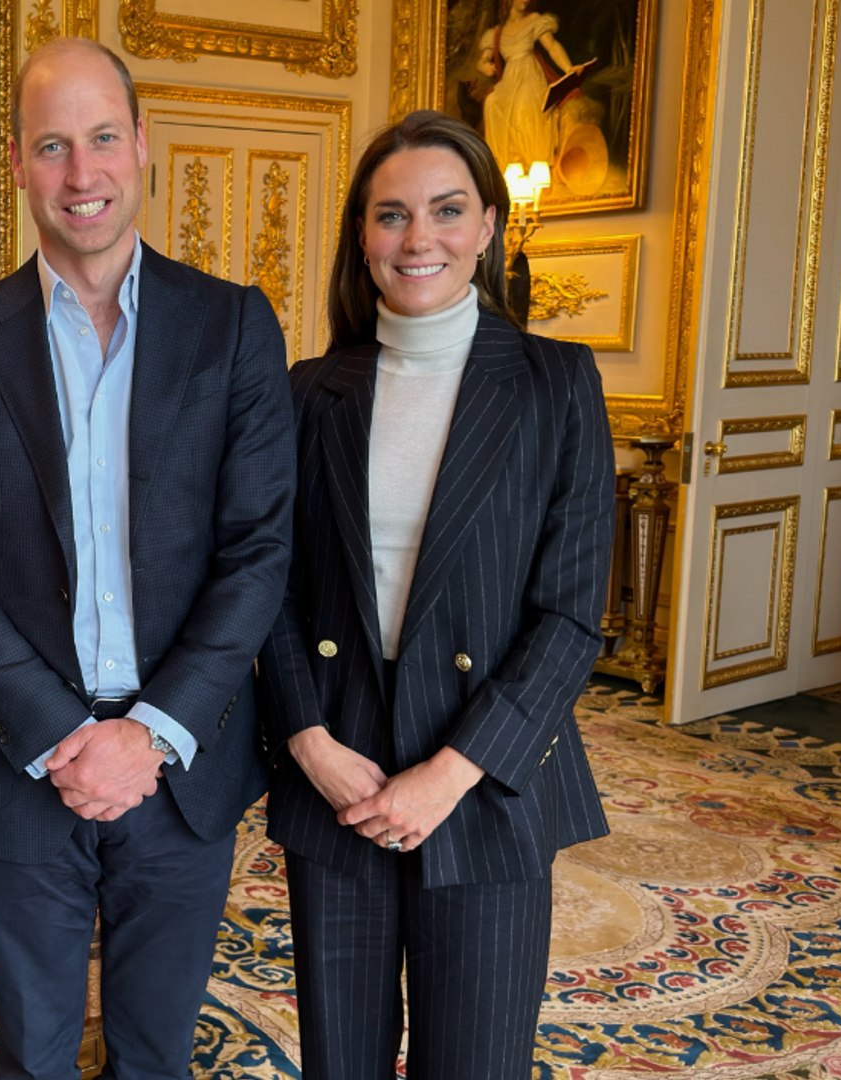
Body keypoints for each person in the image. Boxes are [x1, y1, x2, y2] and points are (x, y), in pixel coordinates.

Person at [0, 38, 294, 1079]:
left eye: (103, 138)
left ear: (142, 145)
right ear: (19, 164)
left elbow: (258, 550)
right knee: (30, 1057)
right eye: (54, 145)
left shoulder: (235, 325)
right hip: (25, 762)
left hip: (183, 762)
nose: (83, 174)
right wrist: (67, 736)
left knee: (156, 1054)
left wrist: (148, 735)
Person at [257, 109, 614, 1080]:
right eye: (391, 215)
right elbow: (266, 587)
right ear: (361, 237)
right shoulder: (308, 390)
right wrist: (307, 741)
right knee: (343, 1063)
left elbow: (572, 613)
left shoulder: (555, 383)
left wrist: (453, 771)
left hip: (487, 784)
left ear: (489, 224)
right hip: (339, 776)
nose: (419, 239)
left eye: (447, 210)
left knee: (476, 1063)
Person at [476, 0, 588, 170]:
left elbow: (552, 46)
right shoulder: (497, 32)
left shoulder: (534, 19)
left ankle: (534, 166)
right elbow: (483, 59)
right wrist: (484, 65)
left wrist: (568, 68)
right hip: (509, 80)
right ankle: (506, 166)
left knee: (523, 107)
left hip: (530, 75)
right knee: (492, 103)